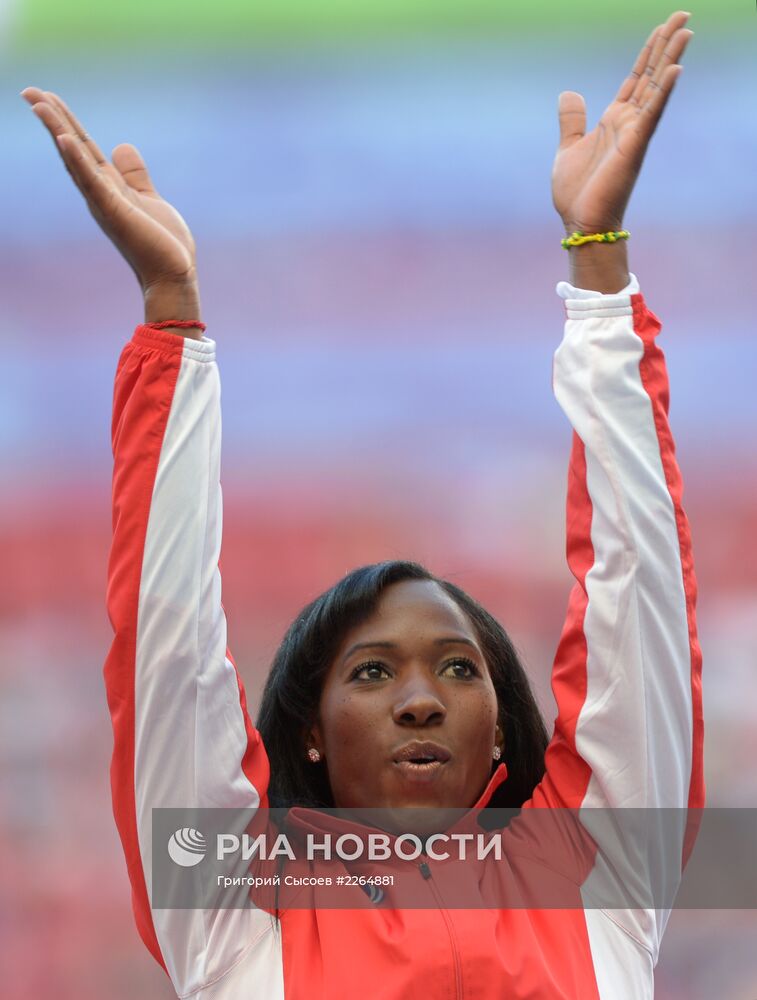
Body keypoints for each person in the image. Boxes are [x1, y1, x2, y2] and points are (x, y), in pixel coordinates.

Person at [23, 9, 703, 997]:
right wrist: (171, 318)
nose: (419, 699)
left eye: (458, 669)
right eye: (374, 671)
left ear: (502, 728)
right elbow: (166, 646)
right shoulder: (231, 906)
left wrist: (599, 263)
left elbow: (638, 587)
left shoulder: (600, 874)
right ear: (308, 729)